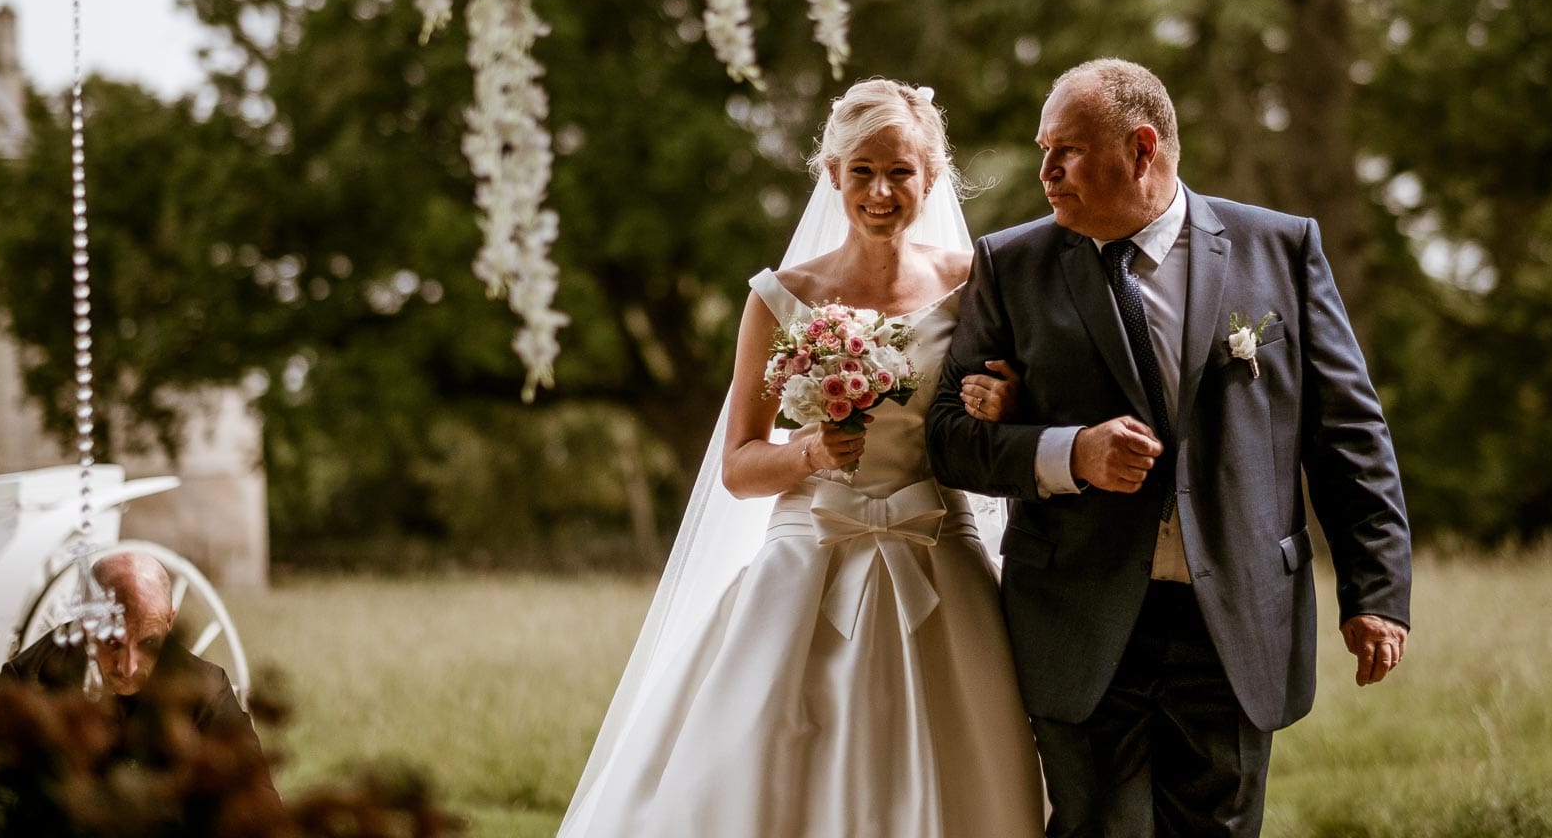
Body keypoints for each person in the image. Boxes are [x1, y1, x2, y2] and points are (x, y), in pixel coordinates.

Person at [927, 58, 1413, 838]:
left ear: (1142, 148)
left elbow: (1348, 432)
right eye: (1044, 149)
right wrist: (1068, 453)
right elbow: (948, 441)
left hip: (1235, 620)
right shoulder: (1010, 265)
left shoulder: (1281, 250)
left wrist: (1377, 591)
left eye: (1068, 151)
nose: (1045, 171)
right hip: (1078, 621)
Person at [559, 78, 1045, 838]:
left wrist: (1007, 406)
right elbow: (739, 465)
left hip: (939, 549)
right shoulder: (780, 298)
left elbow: (1003, 421)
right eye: (863, 172)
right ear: (833, 175)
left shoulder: (977, 286)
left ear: (933, 176)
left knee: (974, 770)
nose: (881, 191)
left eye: (900, 171)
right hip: (809, 556)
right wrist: (810, 452)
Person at [0, 550, 277, 803]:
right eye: (112, 642)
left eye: (148, 644)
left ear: (169, 622)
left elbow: (257, 799)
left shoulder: (206, 690)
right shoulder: (29, 681)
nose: (128, 667)